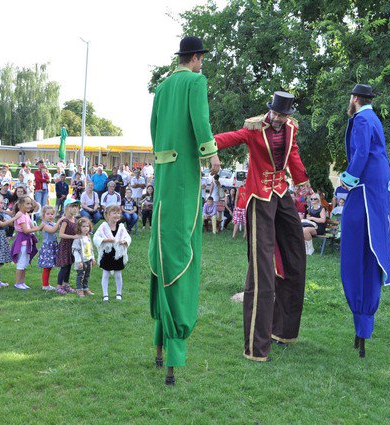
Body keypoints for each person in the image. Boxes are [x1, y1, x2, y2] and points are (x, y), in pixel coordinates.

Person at [149, 35, 222, 386]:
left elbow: (154, 129)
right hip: (182, 179)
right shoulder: (195, 82)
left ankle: (159, 345)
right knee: (182, 251)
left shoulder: (162, 87)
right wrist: (211, 153)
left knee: (163, 250)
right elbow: (199, 119)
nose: (202, 64)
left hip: (164, 174)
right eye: (201, 59)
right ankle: (173, 350)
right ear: (194, 58)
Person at [215, 90, 308, 362]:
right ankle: (256, 346)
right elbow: (230, 138)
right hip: (259, 196)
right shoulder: (254, 128)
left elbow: (293, 156)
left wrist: (303, 182)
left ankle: (283, 331)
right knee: (262, 268)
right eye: (276, 114)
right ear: (270, 111)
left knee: (295, 256)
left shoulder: (291, 128)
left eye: (283, 115)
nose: (279, 119)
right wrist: (209, 147)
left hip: (281, 192)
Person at [337, 84, 390, 358]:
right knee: (370, 259)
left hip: (364, 193)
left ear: (355, 99)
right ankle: (363, 326)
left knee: (354, 258)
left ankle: (361, 321)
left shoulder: (361, 119)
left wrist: (346, 182)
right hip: (376, 193)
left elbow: (360, 153)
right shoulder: (374, 119)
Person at [94, 205, 131, 302]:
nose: (117, 215)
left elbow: (127, 237)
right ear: (107, 215)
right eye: (114, 213)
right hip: (107, 254)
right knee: (105, 274)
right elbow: (96, 238)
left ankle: (119, 293)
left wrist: (125, 241)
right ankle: (105, 294)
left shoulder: (121, 227)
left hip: (118, 254)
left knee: (118, 274)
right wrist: (105, 240)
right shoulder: (103, 227)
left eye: (118, 213)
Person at [11, 196, 43, 290]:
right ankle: (18, 283)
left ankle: (22, 282)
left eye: (30, 204)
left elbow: (32, 227)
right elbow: (25, 230)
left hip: (28, 241)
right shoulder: (20, 215)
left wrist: (39, 227)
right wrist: (39, 228)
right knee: (21, 263)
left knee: (25, 263)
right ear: (21, 205)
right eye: (27, 204)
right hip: (22, 242)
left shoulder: (26, 214)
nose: (30, 206)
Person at [55, 201, 82, 294]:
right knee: (64, 267)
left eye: (77, 207)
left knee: (69, 266)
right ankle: (59, 286)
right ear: (67, 208)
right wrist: (73, 237)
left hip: (72, 246)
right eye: (73, 206)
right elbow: (61, 234)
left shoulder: (75, 220)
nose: (75, 209)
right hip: (65, 246)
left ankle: (66, 285)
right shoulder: (65, 221)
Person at [37, 205, 61, 292]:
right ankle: (45, 285)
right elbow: (52, 230)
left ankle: (47, 284)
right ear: (43, 215)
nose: (50, 215)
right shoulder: (44, 224)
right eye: (48, 214)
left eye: (52, 214)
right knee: (46, 267)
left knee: (49, 267)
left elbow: (59, 228)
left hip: (53, 246)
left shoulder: (53, 223)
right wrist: (59, 221)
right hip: (47, 247)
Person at [72, 217, 96, 297]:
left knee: (87, 275)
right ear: (79, 228)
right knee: (80, 276)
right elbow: (75, 251)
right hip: (81, 262)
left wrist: (93, 258)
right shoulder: (78, 238)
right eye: (83, 226)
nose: (86, 228)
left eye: (87, 226)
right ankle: (79, 289)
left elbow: (90, 249)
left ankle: (85, 288)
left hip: (88, 260)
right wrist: (79, 261)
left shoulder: (88, 237)